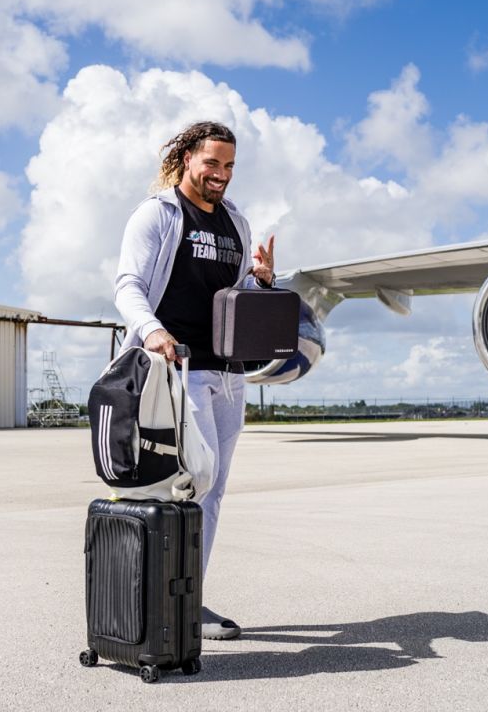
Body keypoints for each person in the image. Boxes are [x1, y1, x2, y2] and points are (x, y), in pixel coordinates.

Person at [113, 121, 274, 641]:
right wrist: (152, 331)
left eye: (229, 166)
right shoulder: (158, 214)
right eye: (213, 163)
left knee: (215, 488)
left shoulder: (235, 223)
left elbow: (235, 292)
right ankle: (162, 598)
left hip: (229, 372)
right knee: (190, 482)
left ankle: (188, 597)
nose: (221, 174)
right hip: (177, 367)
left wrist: (262, 281)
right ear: (187, 158)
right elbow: (128, 285)